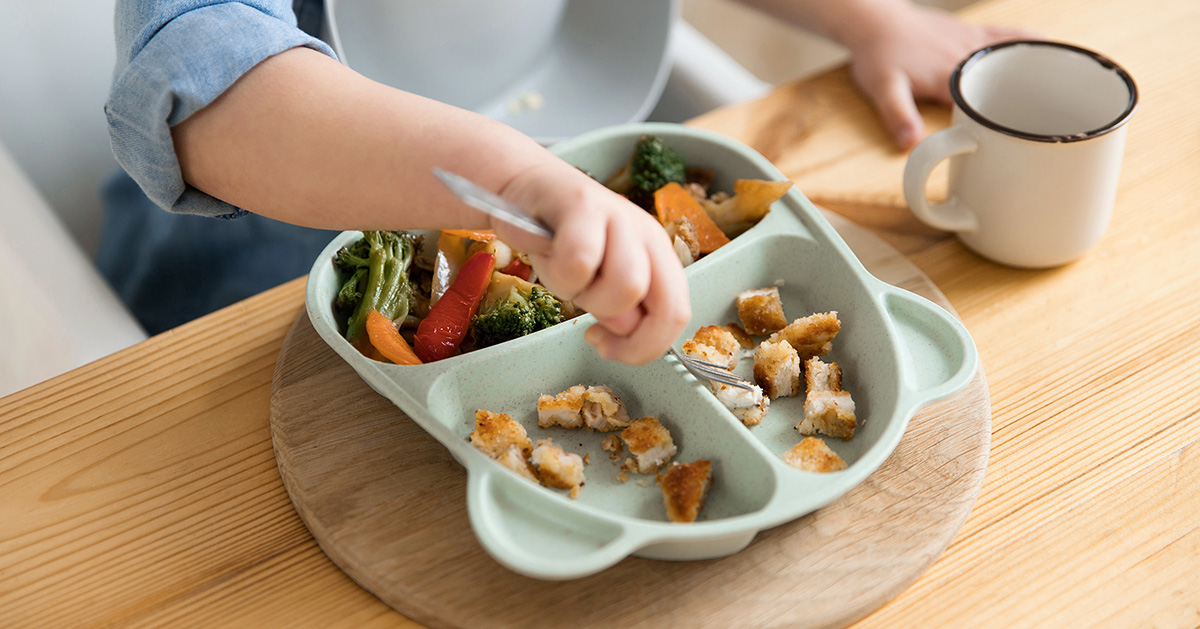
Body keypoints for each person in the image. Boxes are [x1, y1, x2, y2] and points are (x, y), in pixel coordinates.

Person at [102, 0, 1029, 364]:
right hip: (263, 240)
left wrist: (868, 19)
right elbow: (204, 84)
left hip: (564, 148)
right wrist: (512, 176)